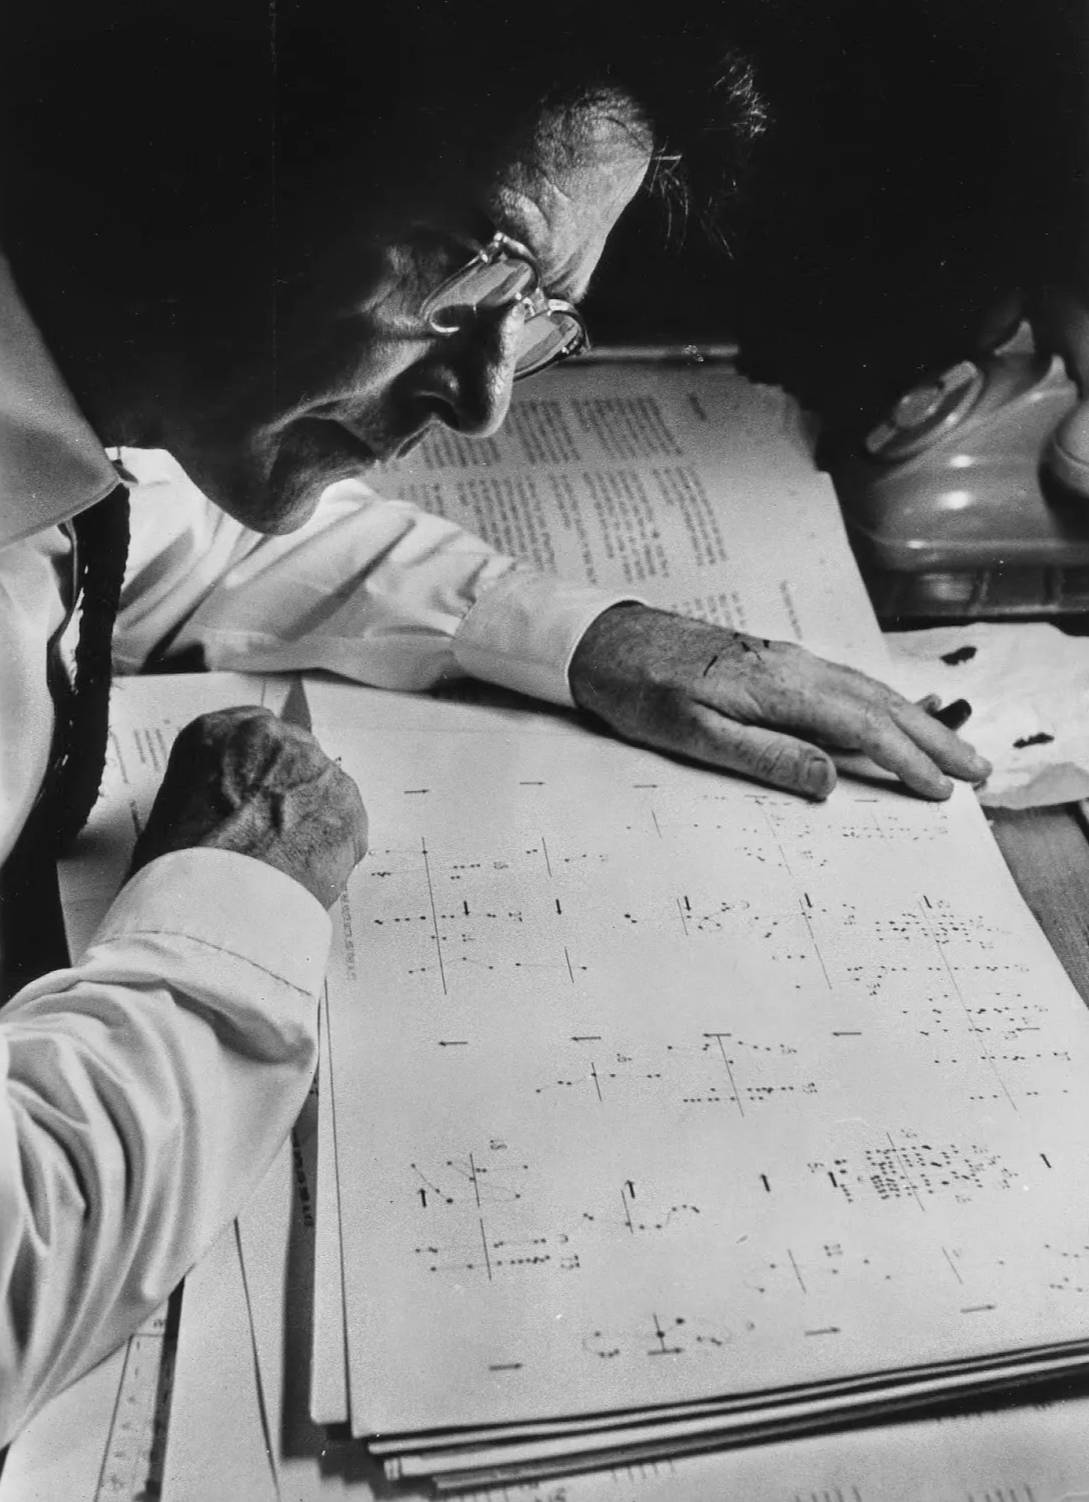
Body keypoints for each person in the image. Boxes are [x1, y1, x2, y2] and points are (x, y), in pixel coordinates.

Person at [0, 0, 988, 1444]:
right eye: (476, 271)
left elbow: (153, 546)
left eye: (539, 311)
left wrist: (591, 640)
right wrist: (233, 904)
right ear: (211, 145)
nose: (483, 400)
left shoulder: (55, 405)